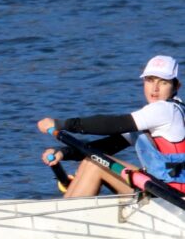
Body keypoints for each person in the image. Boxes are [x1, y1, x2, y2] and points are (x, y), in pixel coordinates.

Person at [37, 55, 185, 197]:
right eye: (150, 80)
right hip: (161, 188)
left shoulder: (165, 110)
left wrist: (61, 124)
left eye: (163, 82)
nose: (155, 88)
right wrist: (64, 153)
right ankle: (69, 207)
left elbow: (112, 124)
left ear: (176, 86)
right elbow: (108, 146)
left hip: (174, 194)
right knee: (93, 158)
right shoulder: (154, 116)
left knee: (95, 163)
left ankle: (65, 217)